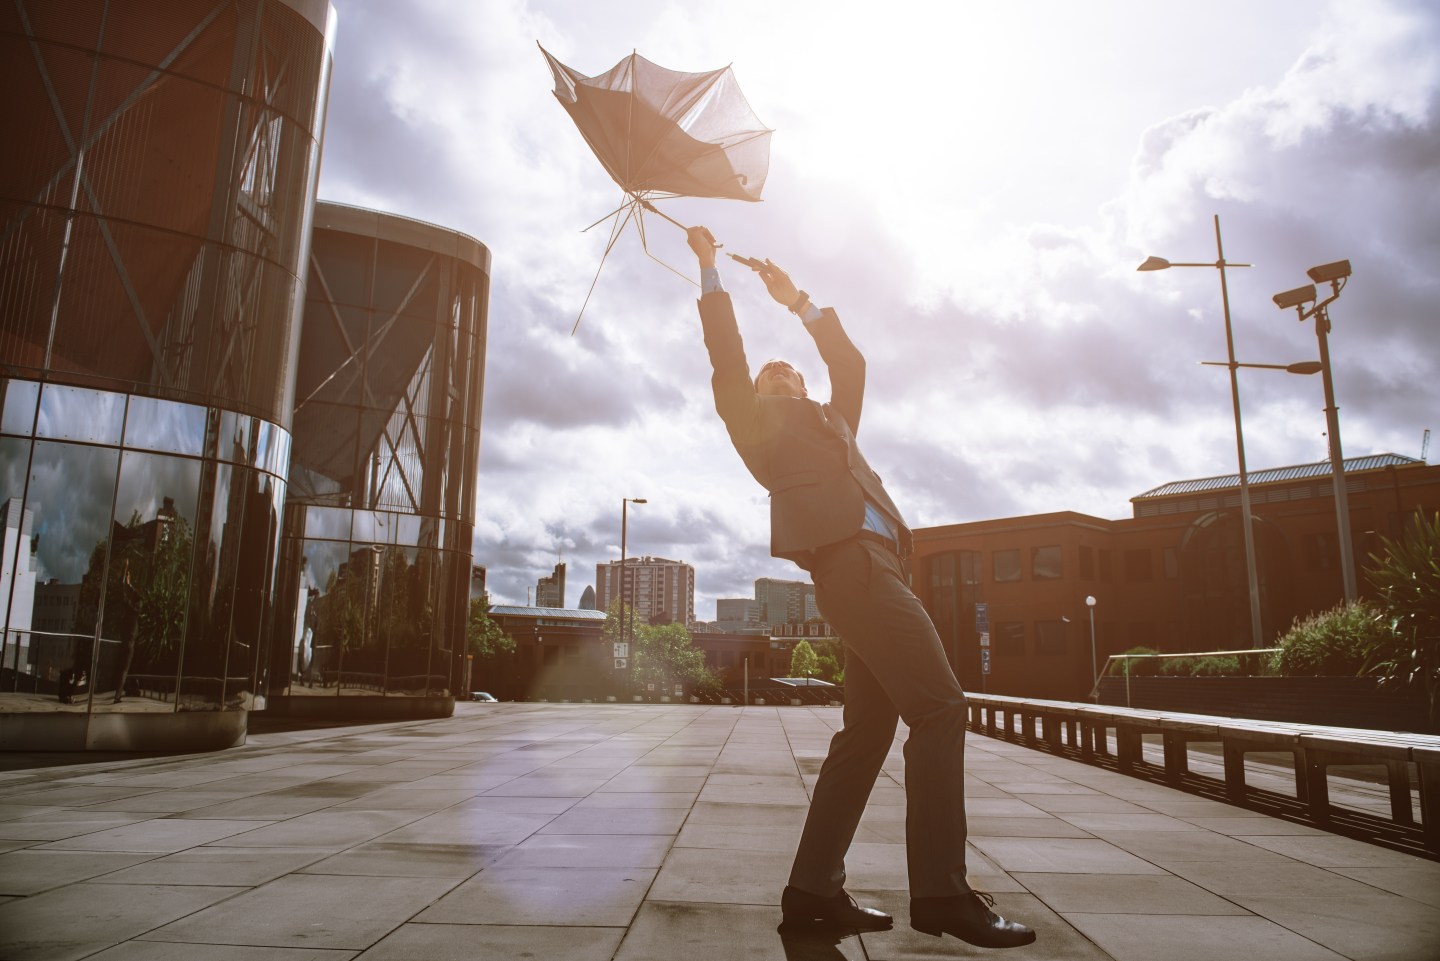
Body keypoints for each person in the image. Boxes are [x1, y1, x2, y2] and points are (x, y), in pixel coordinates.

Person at [687, 226, 1035, 949]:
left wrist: (799, 302)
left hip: (882, 568)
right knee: (941, 707)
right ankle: (942, 891)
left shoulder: (834, 420)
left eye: (789, 369)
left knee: (868, 733)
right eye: (769, 373)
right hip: (851, 566)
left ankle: (812, 890)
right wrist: (712, 270)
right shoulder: (757, 428)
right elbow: (728, 358)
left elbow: (850, 358)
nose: (780, 372)